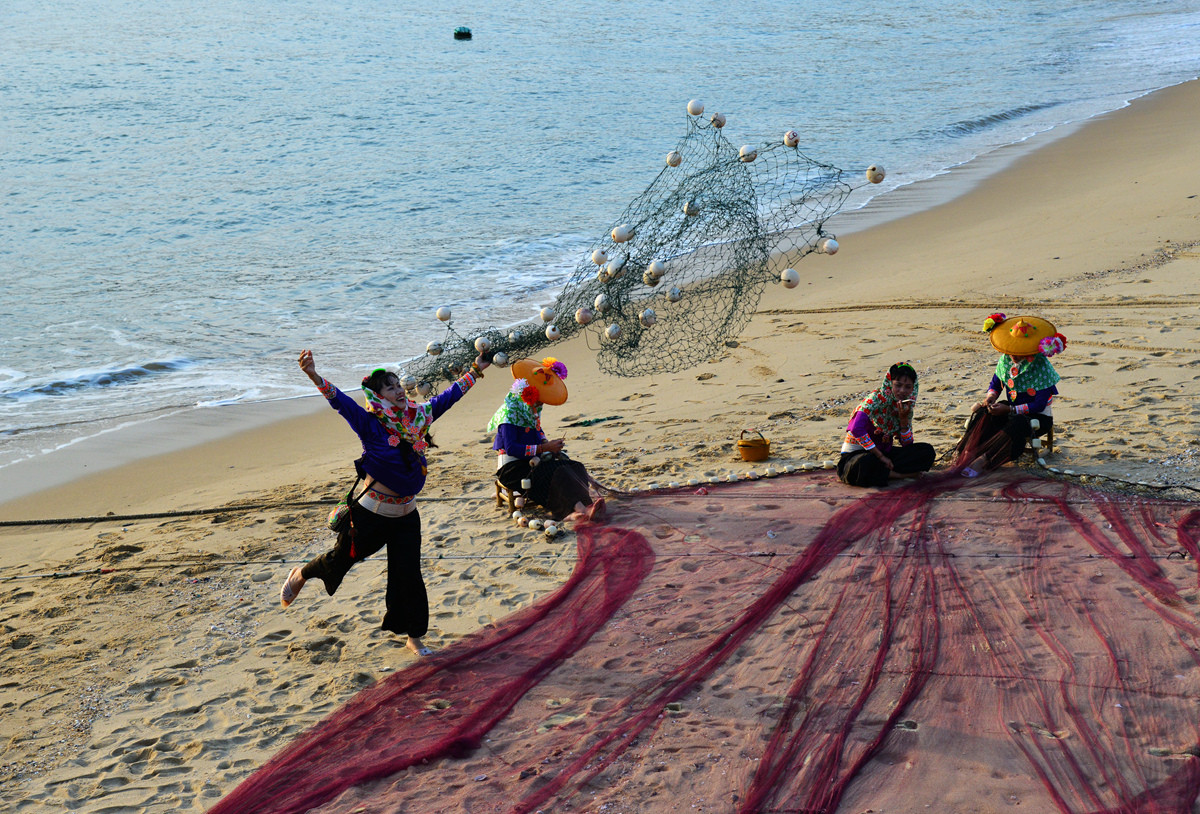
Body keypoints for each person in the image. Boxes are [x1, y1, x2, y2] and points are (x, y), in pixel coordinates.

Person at [280, 349, 489, 657]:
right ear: (378, 396)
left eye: (398, 385)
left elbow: (449, 396)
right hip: (371, 515)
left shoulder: (420, 417)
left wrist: (476, 369)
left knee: (409, 576)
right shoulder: (371, 425)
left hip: (407, 515)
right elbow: (341, 402)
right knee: (342, 561)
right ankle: (301, 574)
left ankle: (414, 637)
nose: (399, 390)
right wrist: (313, 375)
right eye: (390, 387)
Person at [487, 356, 601, 521]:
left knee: (574, 466)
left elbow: (538, 432)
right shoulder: (509, 415)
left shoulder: (530, 412)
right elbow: (512, 448)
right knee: (556, 473)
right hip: (512, 469)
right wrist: (545, 449)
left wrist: (548, 444)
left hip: (533, 460)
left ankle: (585, 505)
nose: (539, 406)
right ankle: (575, 510)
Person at [956, 313, 1066, 478]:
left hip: (1037, 416)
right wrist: (990, 397)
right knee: (983, 412)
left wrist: (1009, 410)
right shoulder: (1005, 361)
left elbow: (1039, 404)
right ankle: (967, 451)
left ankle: (987, 458)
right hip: (1010, 408)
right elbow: (996, 383)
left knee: (1018, 422)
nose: (1013, 355)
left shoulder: (1041, 366)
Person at [837, 362, 936, 488]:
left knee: (926, 451)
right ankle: (901, 475)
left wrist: (904, 420)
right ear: (890, 383)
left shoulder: (905, 406)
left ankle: (886, 473)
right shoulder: (874, 400)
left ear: (913, 388)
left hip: (884, 456)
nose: (902, 391)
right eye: (898, 385)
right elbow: (856, 428)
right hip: (856, 457)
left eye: (907, 387)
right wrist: (881, 456)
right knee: (866, 463)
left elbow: (907, 445)